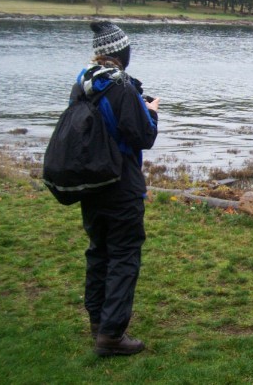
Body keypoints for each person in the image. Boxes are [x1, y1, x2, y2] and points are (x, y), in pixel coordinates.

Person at [75, 21, 159, 356]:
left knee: (98, 251)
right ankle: (111, 335)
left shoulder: (83, 83)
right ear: (122, 53)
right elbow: (143, 137)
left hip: (90, 182)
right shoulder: (122, 87)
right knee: (124, 255)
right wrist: (152, 113)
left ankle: (98, 322)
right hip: (121, 184)